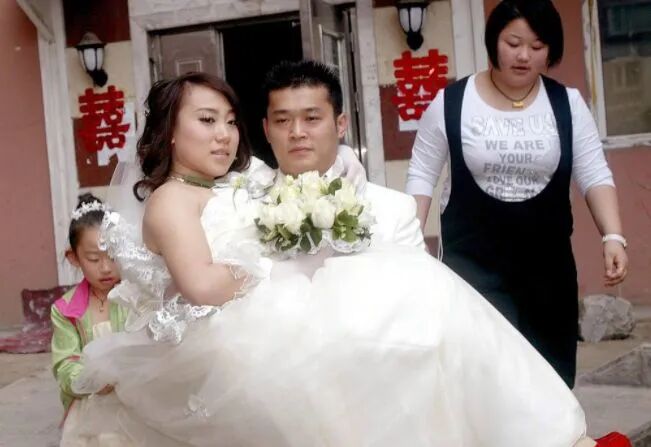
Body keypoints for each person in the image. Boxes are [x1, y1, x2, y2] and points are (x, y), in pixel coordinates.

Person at [69, 67, 620, 447]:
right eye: (207, 121)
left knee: (427, 299)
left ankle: (535, 429)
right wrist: (270, 266)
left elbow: (287, 186)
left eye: (231, 122)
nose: (224, 136)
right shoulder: (171, 199)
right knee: (403, 316)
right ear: (169, 132)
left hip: (268, 310)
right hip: (228, 334)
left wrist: (327, 194)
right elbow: (200, 285)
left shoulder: (236, 182)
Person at [406, 0, 628, 388]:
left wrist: (613, 236)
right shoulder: (451, 103)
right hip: (473, 268)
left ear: (551, 51)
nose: (524, 56)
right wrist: (408, 239)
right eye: (513, 43)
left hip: (548, 271)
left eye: (537, 46)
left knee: (550, 382)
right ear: (494, 42)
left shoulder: (567, 104)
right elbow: (422, 174)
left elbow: (594, 173)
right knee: (487, 382)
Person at [51, 194, 131, 446]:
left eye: (113, 255)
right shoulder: (66, 310)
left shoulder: (135, 296)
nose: (106, 267)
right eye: (94, 259)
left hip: (134, 404)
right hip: (90, 409)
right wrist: (92, 380)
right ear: (74, 258)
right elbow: (64, 364)